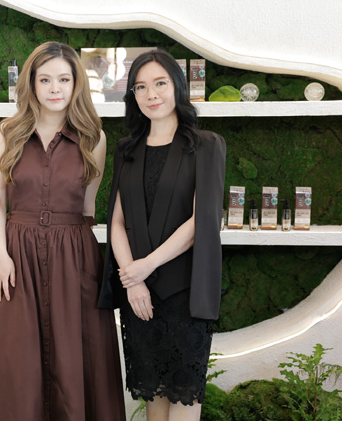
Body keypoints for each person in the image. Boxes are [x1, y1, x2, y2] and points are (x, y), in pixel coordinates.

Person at [0, 42, 126, 421]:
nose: (55, 88)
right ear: (32, 84)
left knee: (75, 360)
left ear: (76, 84)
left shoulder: (94, 138)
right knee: (13, 363)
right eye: (46, 80)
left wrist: (80, 265)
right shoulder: (8, 132)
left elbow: (86, 210)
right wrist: (1, 255)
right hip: (14, 258)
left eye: (64, 79)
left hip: (74, 259)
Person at [98, 49, 226, 421]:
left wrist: (145, 267)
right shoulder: (126, 150)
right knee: (153, 407)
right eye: (140, 87)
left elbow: (201, 222)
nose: (151, 94)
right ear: (133, 95)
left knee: (184, 406)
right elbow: (116, 222)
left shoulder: (206, 145)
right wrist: (133, 280)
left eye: (160, 83)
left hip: (184, 293)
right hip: (138, 298)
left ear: (177, 86)